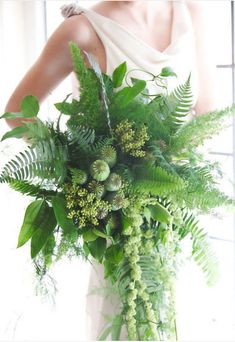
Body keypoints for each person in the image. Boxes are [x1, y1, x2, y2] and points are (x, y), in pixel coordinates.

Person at [3, 1, 218, 340]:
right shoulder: (85, 28)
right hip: (121, 224)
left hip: (178, 217)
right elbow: (17, 112)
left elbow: (207, 111)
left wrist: (182, 172)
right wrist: (83, 173)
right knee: (124, 318)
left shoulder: (192, 9)